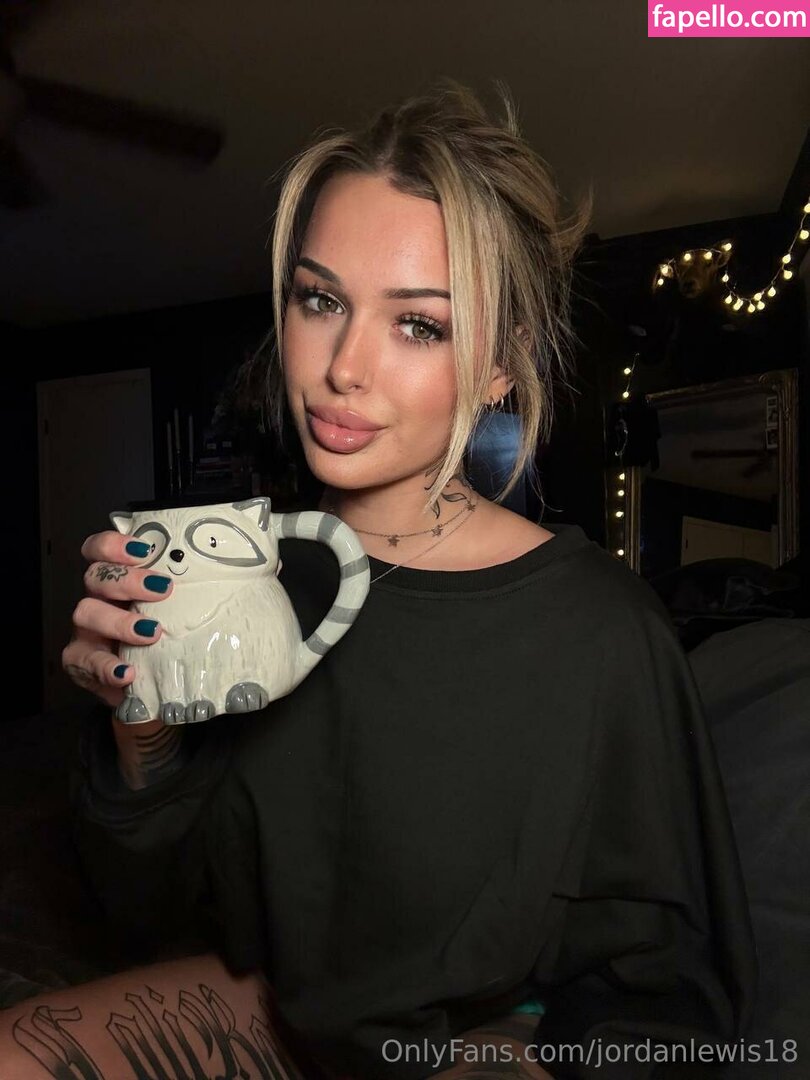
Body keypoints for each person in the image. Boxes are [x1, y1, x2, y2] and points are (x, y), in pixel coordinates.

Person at [0, 79, 755, 1080]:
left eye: (418, 325)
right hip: (269, 1010)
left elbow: (667, 997)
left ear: (500, 366)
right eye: (321, 300)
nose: (343, 367)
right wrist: (142, 735)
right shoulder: (248, 575)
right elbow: (151, 908)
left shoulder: (603, 634)